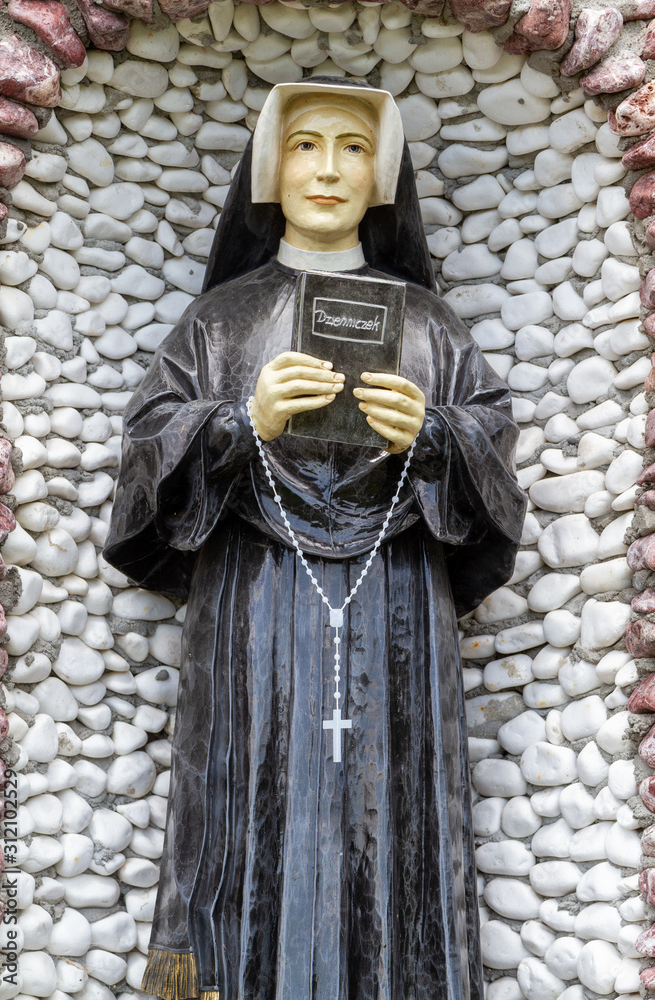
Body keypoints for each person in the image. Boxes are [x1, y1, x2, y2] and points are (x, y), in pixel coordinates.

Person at [104, 78, 527, 1000]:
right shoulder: (220, 321)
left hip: (395, 607)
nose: (327, 168)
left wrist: (431, 434)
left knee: (393, 808)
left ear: (382, 178)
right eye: (304, 145)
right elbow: (144, 463)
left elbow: (493, 456)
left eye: (350, 147)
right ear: (270, 171)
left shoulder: (429, 324)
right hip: (256, 598)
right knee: (247, 807)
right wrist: (234, 421)